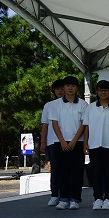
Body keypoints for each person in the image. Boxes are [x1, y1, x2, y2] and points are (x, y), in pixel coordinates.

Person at [50, 76, 88, 210]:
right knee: (62, 172)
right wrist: (62, 141)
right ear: (63, 88)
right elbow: (55, 124)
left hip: (77, 143)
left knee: (77, 173)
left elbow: (84, 125)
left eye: (73, 85)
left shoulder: (83, 104)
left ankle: (75, 199)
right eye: (67, 86)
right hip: (60, 143)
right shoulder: (56, 104)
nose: (70, 88)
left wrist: (73, 141)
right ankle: (64, 199)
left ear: (77, 88)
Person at [83, 80, 109, 210]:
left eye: (106, 90)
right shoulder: (90, 107)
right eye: (100, 90)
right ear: (96, 92)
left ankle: (108, 198)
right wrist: (85, 143)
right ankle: (97, 198)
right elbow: (86, 127)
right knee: (96, 173)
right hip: (94, 145)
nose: (103, 93)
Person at [40, 79, 65, 207]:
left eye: (62, 88)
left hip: (68, 142)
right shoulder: (49, 105)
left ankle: (67, 195)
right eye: (57, 89)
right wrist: (43, 142)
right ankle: (55, 194)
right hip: (52, 141)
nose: (60, 91)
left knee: (68, 170)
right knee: (55, 170)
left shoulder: (71, 104)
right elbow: (45, 125)